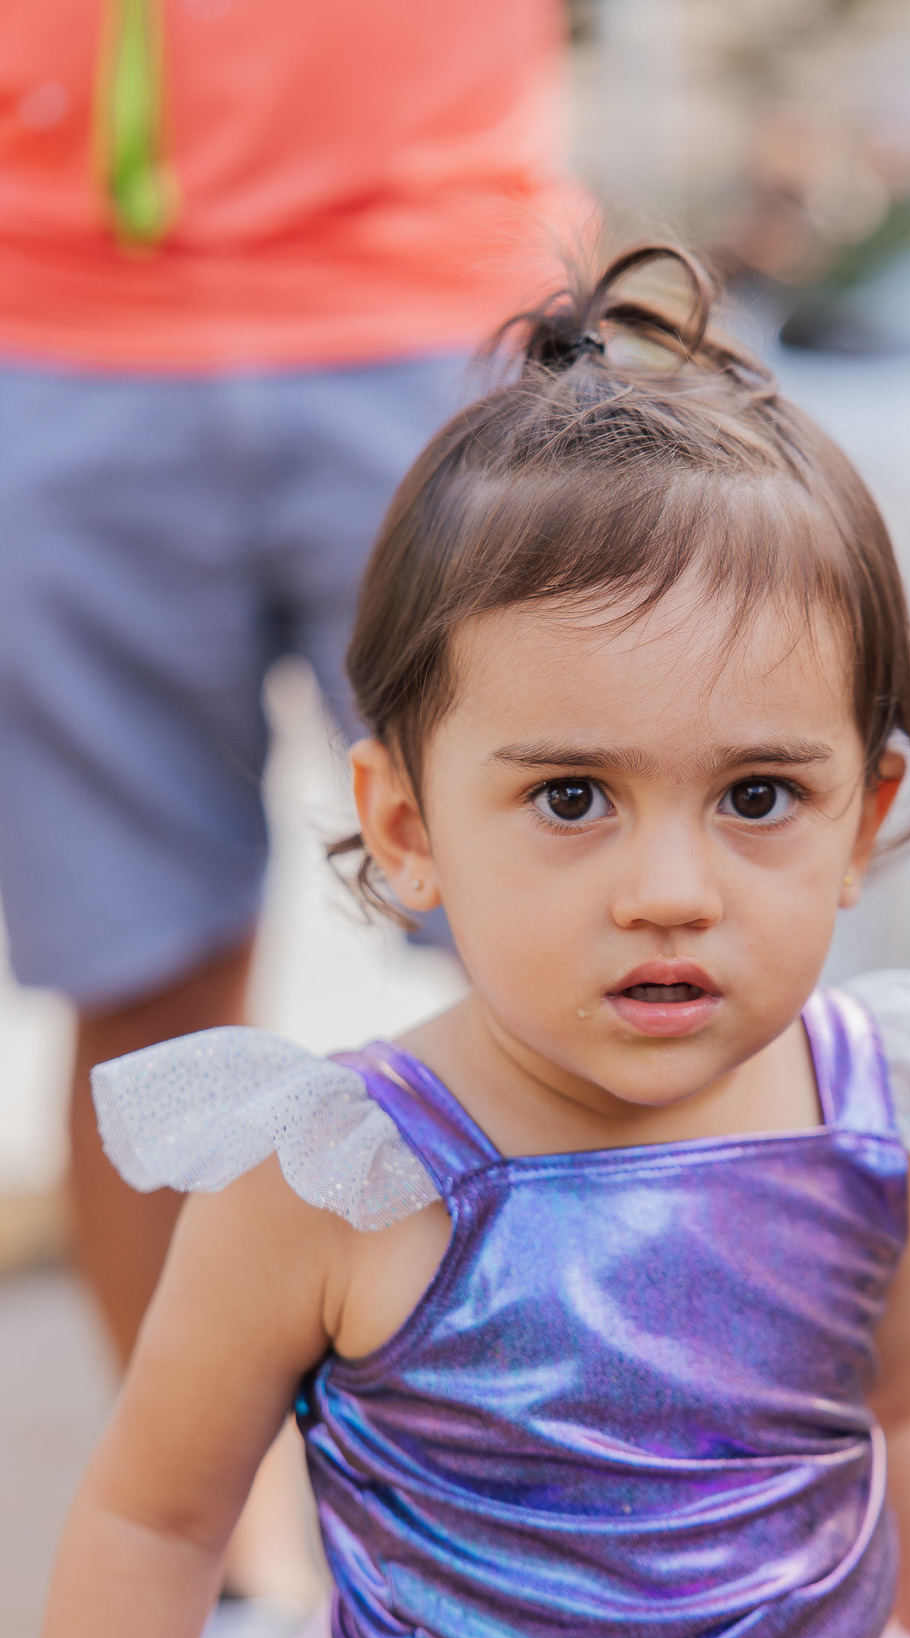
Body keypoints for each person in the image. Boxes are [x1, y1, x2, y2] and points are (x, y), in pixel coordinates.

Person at [34, 248, 910, 1638]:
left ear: (865, 819)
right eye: (573, 798)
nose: (671, 893)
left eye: (758, 797)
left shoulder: (872, 1110)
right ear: (407, 826)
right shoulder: (339, 1176)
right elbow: (156, 1519)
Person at [0, 0, 585, 1371]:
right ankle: (207, 1503)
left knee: (571, 945)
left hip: (443, 290)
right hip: (55, 319)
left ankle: (604, 1468)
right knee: (141, 992)